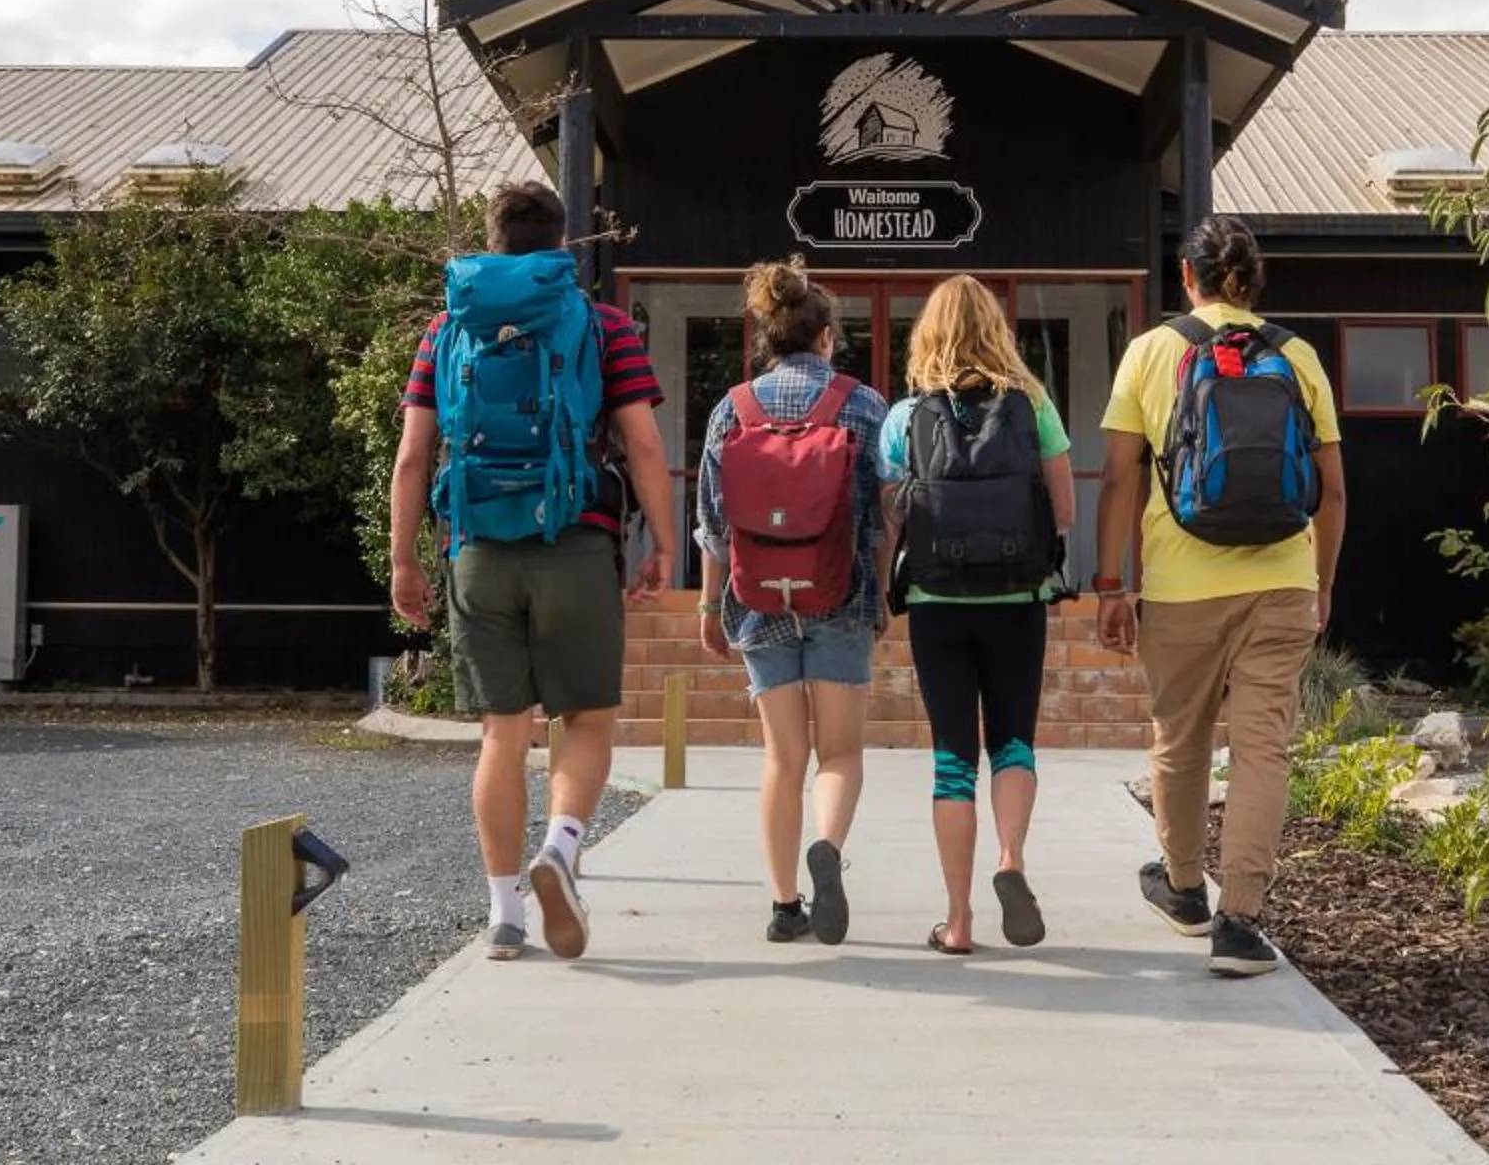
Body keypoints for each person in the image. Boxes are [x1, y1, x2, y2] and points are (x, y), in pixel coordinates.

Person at [386, 183, 670, 963]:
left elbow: (414, 457)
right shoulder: (602, 323)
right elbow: (643, 444)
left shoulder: (446, 329)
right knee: (586, 719)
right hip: (576, 540)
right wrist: (667, 547)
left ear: (491, 240)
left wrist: (403, 559)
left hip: (477, 545)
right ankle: (563, 849)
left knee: (500, 733)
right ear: (561, 244)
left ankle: (505, 914)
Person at [1097, 215, 1348, 978]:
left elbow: (1119, 478)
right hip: (1280, 580)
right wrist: (1323, 582)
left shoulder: (1151, 351)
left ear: (1186, 276)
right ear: (1255, 278)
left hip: (1180, 585)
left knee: (1181, 739)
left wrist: (1112, 585)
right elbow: (1332, 491)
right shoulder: (1298, 355)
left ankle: (1182, 889)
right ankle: (1240, 924)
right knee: (1262, 747)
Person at [693, 258, 891, 945]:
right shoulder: (864, 406)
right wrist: (882, 596)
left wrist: (709, 606)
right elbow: (882, 515)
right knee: (838, 752)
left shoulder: (731, 411)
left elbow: (715, 525)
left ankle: (784, 908)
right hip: (840, 594)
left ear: (766, 338)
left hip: (756, 601)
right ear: (827, 338)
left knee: (784, 758)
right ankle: (827, 849)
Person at [879, 275, 1076, 955]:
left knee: (953, 760)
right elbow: (1067, 512)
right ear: (998, 329)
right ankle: (1011, 860)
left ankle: (958, 923)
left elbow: (894, 516)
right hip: (1019, 600)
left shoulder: (907, 417)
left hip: (938, 603)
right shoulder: (1034, 406)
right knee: (1014, 741)